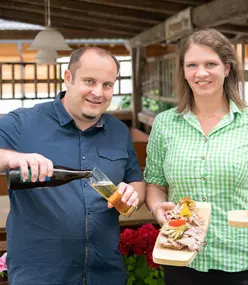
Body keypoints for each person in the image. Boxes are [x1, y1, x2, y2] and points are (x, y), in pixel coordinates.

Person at [144, 28, 248, 285]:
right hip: (183, 259)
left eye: (211, 64)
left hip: (246, 262)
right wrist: (157, 207)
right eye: (192, 65)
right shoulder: (164, 124)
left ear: (227, 68)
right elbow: (155, 183)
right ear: (184, 72)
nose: (201, 73)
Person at [0, 47, 145, 285]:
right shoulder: (24, 122)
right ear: (68, 78)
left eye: (107, 85)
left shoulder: (119, 132)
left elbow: (136, 181)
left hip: (106, 274)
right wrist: (12, 159)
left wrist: (133, 194)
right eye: (89, 81)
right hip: (40, 277)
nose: (98, 92)